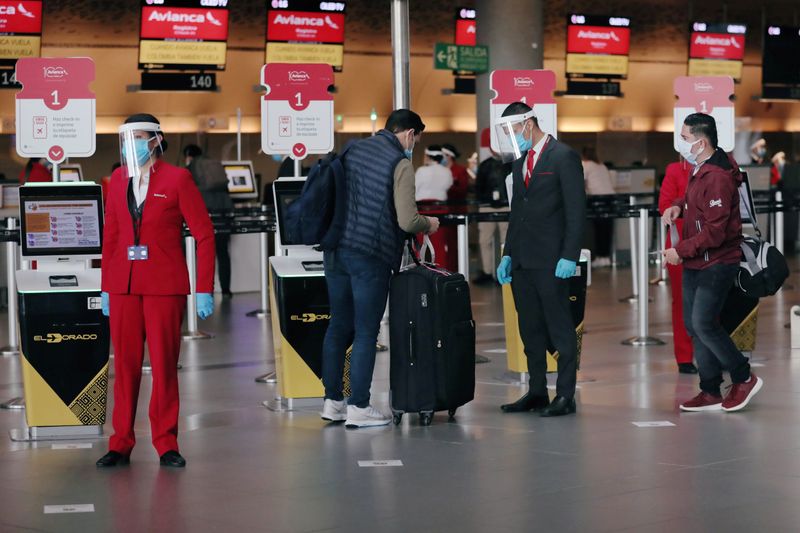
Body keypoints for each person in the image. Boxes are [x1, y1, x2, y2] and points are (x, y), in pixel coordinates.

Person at [96, 114, 216, 468]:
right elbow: (112, 236)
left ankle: (166, 443)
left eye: (139, 136)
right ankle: (120, 442)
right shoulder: (117, 179)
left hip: (164, 286)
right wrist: (107, 285)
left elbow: (204, 235)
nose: (131, 142)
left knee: (164, 365)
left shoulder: (178, 179)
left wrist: (204, 288)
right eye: (127, 136)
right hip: (124, 287)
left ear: (155, 140)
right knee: (126, 367)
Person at [320, 109, 439, 428]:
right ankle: (359, 405)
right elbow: (406, 220)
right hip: (369, 255)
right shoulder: (400, 163)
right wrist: (430, 223)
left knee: (337, 326)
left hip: (334, 251)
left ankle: (333, 402)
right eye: (416, 139)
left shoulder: (352, 149)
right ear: (411, 134)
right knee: (365, 330)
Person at [662, 112, 763, 412]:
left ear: (701, 142)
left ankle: (743, 377)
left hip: (716, 263)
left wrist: (681, 250)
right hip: (698, 261)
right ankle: (709, 390)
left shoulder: (718, 175)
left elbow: (716, 231)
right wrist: (678, 207)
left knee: (705, 324)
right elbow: (697, 202)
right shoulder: (703, 168)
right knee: (694, 326)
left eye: (685, 138)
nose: (681, 143)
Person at [495, 102, 586, 417]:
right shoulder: (520, 163)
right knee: (530, 329)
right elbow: (517, 213)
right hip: (523, 261)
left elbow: (576, 212)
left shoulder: (563, 157)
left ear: (528, 124)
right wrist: (508, 255)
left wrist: (569, 256)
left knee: (560, 330)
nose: (512, 136)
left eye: (514, 129)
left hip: (552, 260)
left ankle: (565, 395)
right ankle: (536, 391)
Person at [658, 158, 697, 374]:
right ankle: (684, 356)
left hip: (710, 242)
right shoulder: (674, 170)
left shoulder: (719, 166)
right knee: (682, 301)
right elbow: (664, 204)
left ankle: (713, 352)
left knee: (713, 298)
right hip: (679, 242)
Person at [183, 144, 234, 298]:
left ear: (188, 156)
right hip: (224, 212)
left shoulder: (191, 167)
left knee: (199, 253)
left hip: (205, 212)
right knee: (222, 252)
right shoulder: (215, 164)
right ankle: (226, 290)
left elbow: (186, 192)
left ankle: (197, 290)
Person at [473, 128, 510, 285]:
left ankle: (503, 269)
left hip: (504, 206)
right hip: (489, 206)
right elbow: (478, 187)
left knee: (505, 241)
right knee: (485, 240)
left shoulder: (509, 163)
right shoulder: (487, 165)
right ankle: (487, 271)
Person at [581, 147, 615, 267]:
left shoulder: (585, 164)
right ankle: (605, 257)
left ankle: (599, 257)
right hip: (610, 198)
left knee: (598, 229)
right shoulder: (601, 165)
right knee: (607, 229)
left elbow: (582, 182)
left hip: (597, 198)